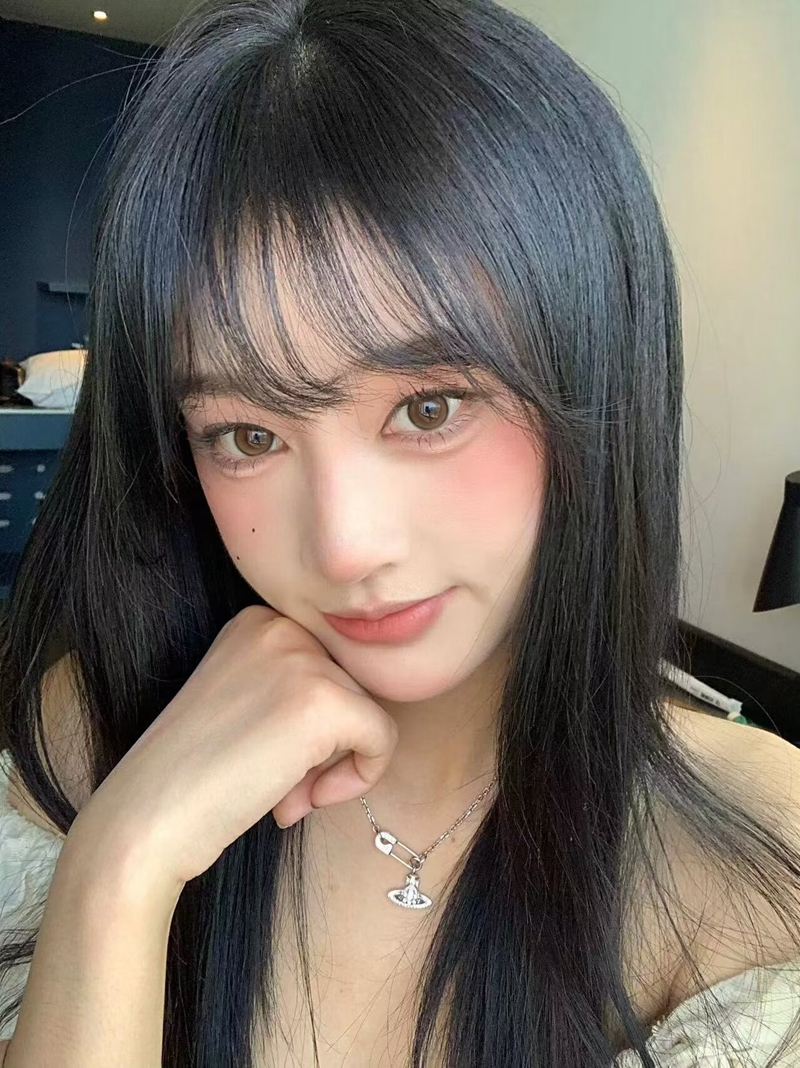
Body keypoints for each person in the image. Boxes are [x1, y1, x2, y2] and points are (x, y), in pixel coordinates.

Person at [0, 0, 799, 1065]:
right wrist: (119, 870)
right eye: (246, 434)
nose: (344, 547)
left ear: (596, 371)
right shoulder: (88, 735)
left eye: (429, 408)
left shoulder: (763, 854)